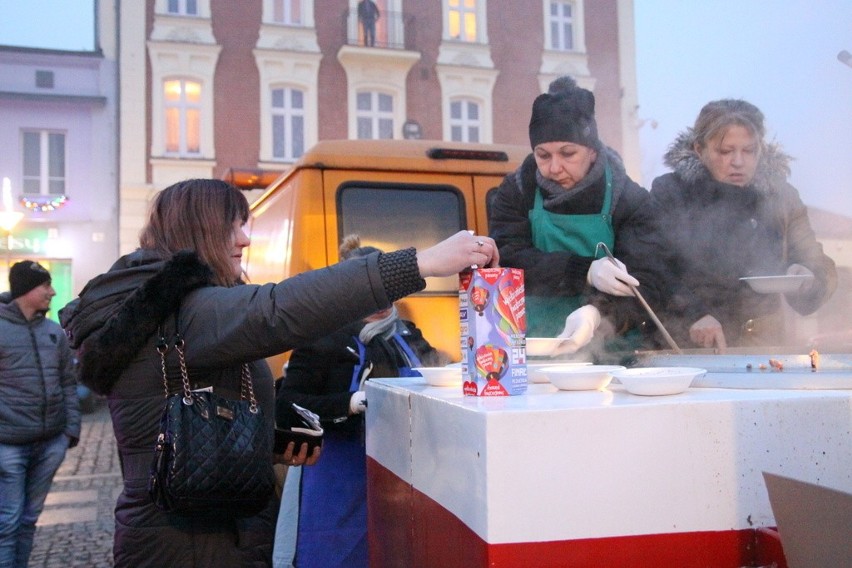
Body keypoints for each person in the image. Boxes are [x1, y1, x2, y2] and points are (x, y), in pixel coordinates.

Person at [58, 178, 498, 568]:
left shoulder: (174, 309)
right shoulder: (181, 310)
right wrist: (418, 264)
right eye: (233, 225)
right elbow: (278, 309)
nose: (245, 239)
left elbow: (181, 416)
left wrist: (263, 444)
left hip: (202, 530)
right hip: (189, 545)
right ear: (199, 231)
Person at [276, 234, 442, 568]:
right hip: (336, 478)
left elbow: (434, 377)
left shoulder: (407, 334)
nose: (380, 301)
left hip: (399, 475)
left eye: (385, 291)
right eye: (370, 292)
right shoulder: (323, 336)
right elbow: (287, 405)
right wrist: (349, 404)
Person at [488, 80, 670, 353]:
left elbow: (650, 279)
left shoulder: (628, 199)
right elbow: (508, 258)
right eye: (543, 155)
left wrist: (600, 316)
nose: (554, 167)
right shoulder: (517, 190)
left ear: (592, 151)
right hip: (535, 343)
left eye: (568, 153)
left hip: (613, 348)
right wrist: (584, 271)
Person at [651, 99, 836, 348]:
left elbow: (815, 260)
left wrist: (808, 277)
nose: (738, 162)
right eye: (725, 151)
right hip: (689, 346)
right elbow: (653, 266)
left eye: (749, 151)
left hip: (765, 345)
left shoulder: (781, 197)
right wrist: (692, 314)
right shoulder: (671, 193)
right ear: (699, 148)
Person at [0, 260, 81, 567]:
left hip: (50, 443)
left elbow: (67, 382)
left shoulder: (53, 332)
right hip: (8, 444)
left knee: (28, 520)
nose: (52, 291)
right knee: (7, 522)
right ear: (26, 290)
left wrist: (69, 430)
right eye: (45, 285)